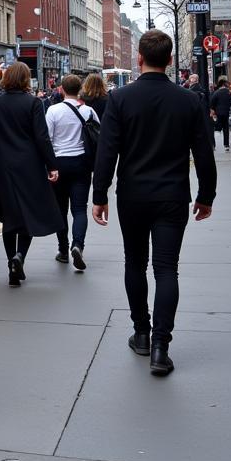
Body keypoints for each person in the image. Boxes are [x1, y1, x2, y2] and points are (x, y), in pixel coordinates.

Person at [92, 30, 216, 376]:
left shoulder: (121, 100)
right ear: (171, 60)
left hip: (132, 196)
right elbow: (203, 152)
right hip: (172, 196)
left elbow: (107, 151)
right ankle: (162, 347)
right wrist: (206, 195)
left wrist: (99, 195)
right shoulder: (188, 100)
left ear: (140, 60)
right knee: (166, 269)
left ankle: (141, 333)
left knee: (135, 263)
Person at [0, 62, 61, 287]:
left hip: (3, 165)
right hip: (29, 165)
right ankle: (20, 256)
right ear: (26, 79)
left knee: (9, 215)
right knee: (29, 212)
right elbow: (42, 137)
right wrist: (51, 165)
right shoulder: (33, 103)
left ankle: (11, 263)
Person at [46, 74, 99, 270]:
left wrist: (48, 165)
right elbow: (97, 135)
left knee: (60, 209)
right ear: (80, 90)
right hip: (81, 163)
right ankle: (78, 245)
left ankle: (62, 249)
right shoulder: (88, 111)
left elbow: (47, 139)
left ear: (61, 89)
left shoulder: (53, 110)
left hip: (59, 163)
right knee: (79, 209)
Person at [209, 76, 231, 153]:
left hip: (218, 113)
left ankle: (213, 144)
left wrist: (213, 112)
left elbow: (212, 104)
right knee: (226, 129)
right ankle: (226, 145)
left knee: (217, 128)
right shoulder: (229, 92)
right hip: (226, 113)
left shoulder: (216, 93)